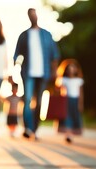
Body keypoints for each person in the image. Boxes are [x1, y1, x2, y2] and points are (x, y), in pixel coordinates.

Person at [13, 8, 60, 140]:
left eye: (34, 14)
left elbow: (54, 54)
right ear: (28, 17)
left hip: (43, 72)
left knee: (39, 101)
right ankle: (27, 128)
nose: (32, 16)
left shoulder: (46, 34)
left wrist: (54, 71)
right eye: (30, 14)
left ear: (37, 16)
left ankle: (35, 129)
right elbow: (17, 54)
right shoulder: (24, 35)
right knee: (27, 100)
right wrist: (15, 66)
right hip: (28, 72)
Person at [55, 59, 84, 143]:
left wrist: (80, 104)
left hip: (75, 101)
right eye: (69, 68)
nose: (71, 70)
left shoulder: (79, 80)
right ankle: (68, 135)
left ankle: (71, 133)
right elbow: (57, 89)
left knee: (74, 117)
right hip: (65, 101)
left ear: (76, 69)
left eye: (73, 68)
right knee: (67, 117)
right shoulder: (63, 80)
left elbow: (81, 94)